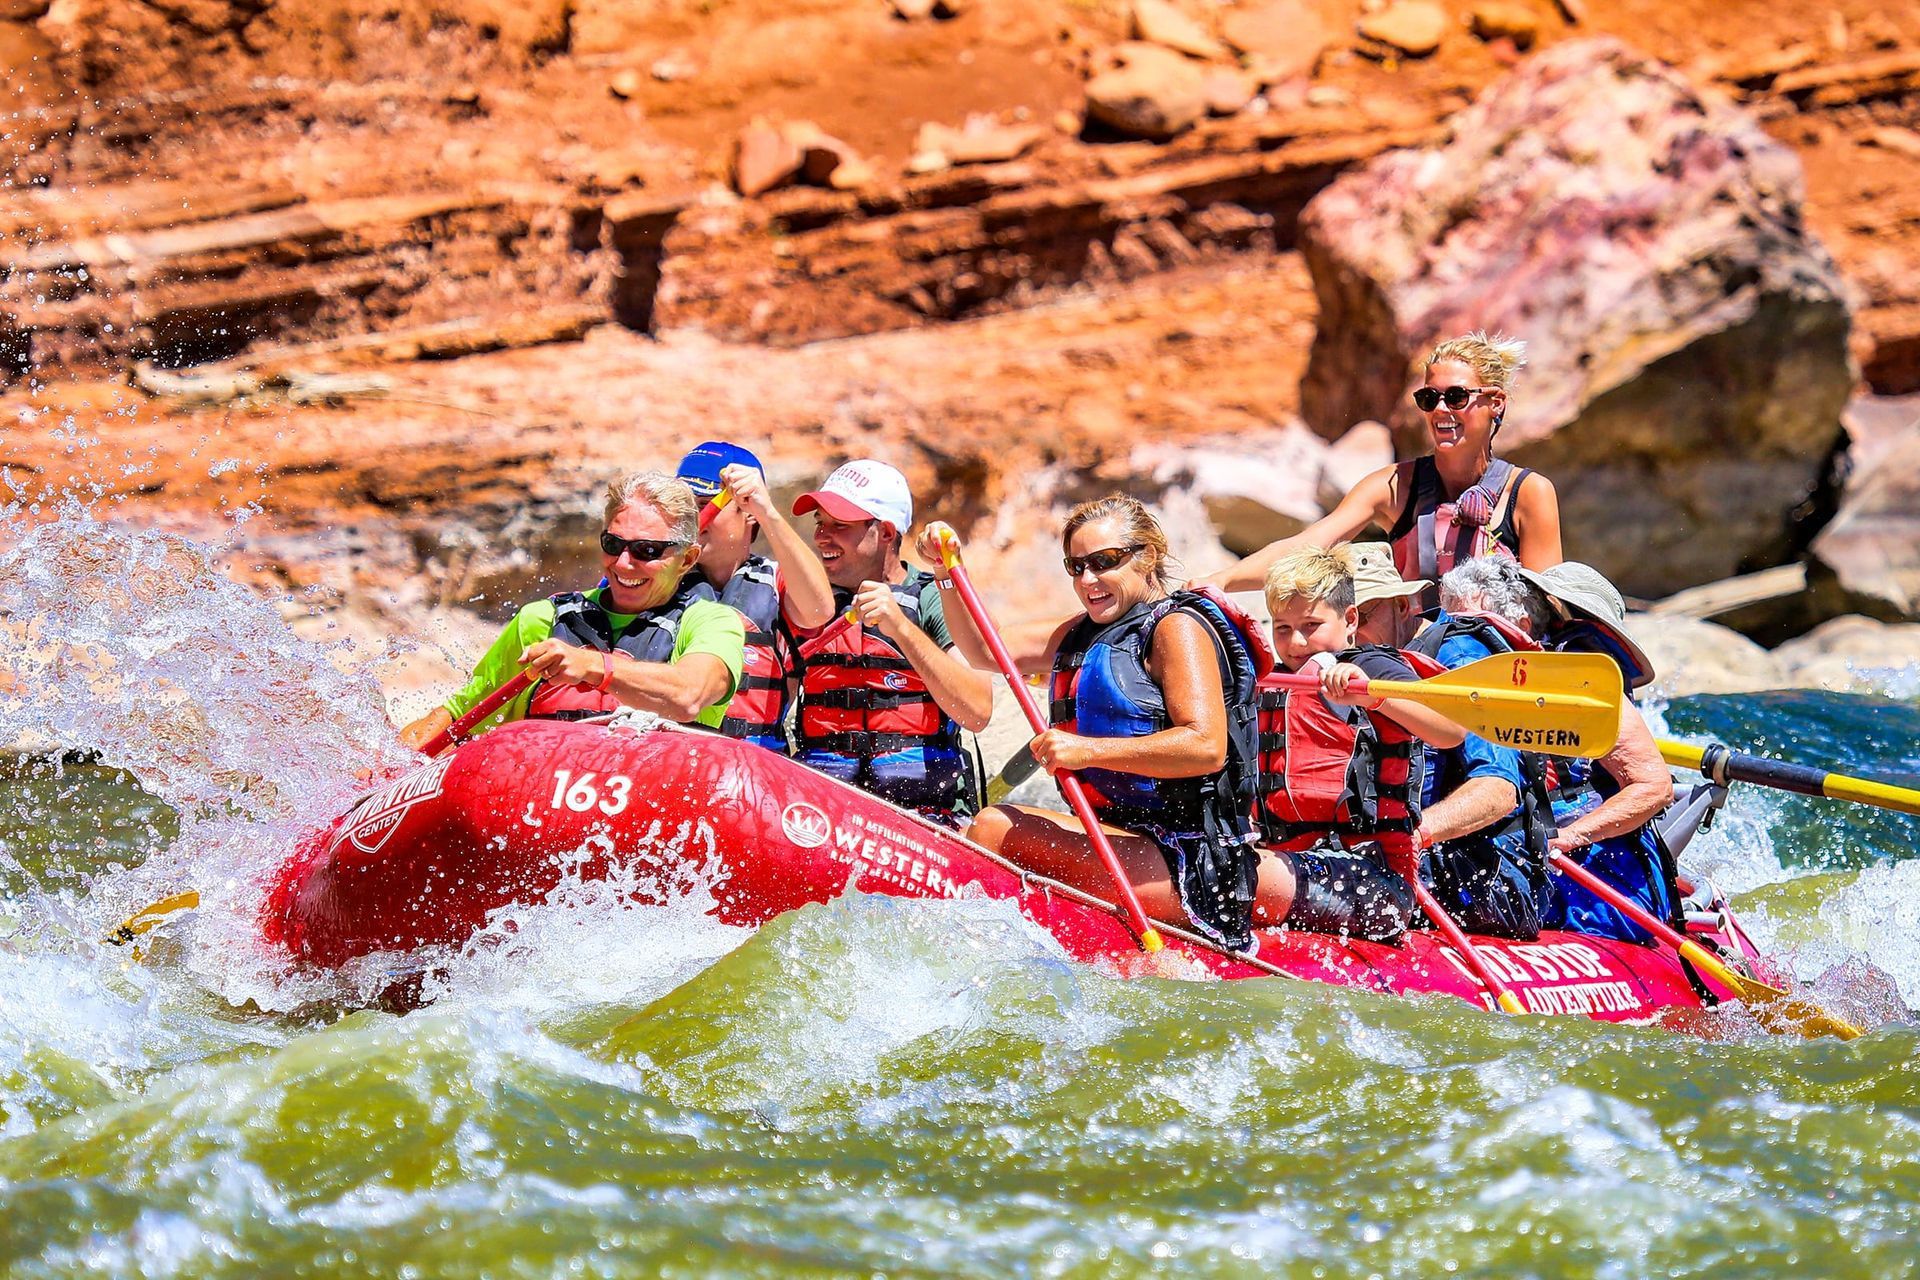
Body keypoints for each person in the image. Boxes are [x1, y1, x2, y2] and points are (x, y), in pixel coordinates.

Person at [960, 495, 1270, 951]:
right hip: (1127, 838)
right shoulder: (1085, 631)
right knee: (989, 826)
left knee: (991, 827)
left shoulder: (1177, 627)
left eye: (1104, 562)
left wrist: (1086, 751)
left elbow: (1205, 746)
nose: (1088, 580)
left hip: (1193, 863)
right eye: (1075, 566)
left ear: (1149, 556)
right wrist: (949, 573)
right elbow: (985, 652)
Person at [1206, 332, 1563, 611]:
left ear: (1495, 402)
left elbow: (1547, 605)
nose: (1440, 410)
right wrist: (1222, 580)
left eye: (1456, 397)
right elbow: (1306, 546)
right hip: (1414, 667)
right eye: (1428, 398)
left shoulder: (1529, 493)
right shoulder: (1392, 487)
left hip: (1497, 665)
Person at [397, 472, 745, 747]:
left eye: (647, 551)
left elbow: (689, 695)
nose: (623, 564)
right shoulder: (542, 620)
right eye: (613, 544)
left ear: (686, 559)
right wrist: (381, 775)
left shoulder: (712, 623)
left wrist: (593, 666)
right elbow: (458, 717)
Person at [1252, 546, 1466, 942]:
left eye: (1311, 625)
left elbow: (1450, 729)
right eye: (1282, 628)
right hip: (1288, 857)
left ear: (1350, 619)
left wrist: (1375, 697)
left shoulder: (1372, 668)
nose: (1296, 642)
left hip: (1375, 878)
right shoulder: (1273, 678)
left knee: (1225, 875)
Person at [789, 460, 994, 824]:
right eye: (820, 523)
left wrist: (900, 627)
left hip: (924, 814)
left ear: (885, 531)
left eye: (840, 525)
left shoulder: (932, 596)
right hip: (824, 811)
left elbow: (977, 711)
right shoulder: (808, 601)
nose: (821, 536)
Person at [1511, 561, 1678, 943]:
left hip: (1608, 875)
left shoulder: (1590, 684)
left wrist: (1571, 838)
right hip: (1545, 861)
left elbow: (1655, 787)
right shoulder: (1522, 672)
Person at [1393, 556, 1556, 940]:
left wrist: (1414, 836)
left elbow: (1498, 790)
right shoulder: (1461, 653)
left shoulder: (1464, 655)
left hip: (1487, 879)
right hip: (1487, 873)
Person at [674, 441, 834, 753]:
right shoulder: (657, 578)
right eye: (683, 507)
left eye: (706, 504)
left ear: (749, 515)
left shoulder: (776, 582)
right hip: (677, 759)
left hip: (753, 767)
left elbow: (819, 609)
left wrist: (768, 511)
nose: (693, 519)